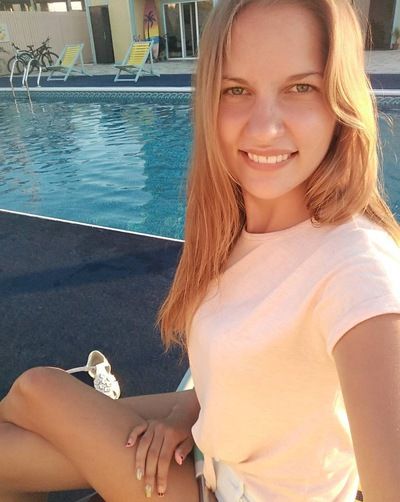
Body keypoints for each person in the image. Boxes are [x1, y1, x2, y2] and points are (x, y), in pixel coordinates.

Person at [1, 0, 400, 500]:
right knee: (27, 405)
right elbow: (264, 376)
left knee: (25, 413)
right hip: (218, 449)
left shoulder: (358, 270)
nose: (264, 127)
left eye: (301, 87)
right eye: (237, 90)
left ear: (339, 101)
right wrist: (187, 412)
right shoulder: (240, 228)